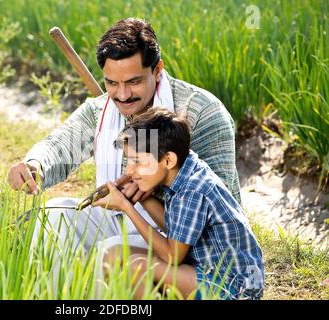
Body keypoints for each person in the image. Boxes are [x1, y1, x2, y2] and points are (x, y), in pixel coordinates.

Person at [7, 18, 242, 294]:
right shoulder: (102, 110)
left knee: (112, 250)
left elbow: (223, 209)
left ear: (157, 70)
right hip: (121, 217)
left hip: (180, 243)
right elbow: (61, 143)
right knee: (56, 214)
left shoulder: (201, 113)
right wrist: (36, 164)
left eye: (133, 81)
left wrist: (147, 192)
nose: (122, 95)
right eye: (111, 83)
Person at [93, 107, 264, 300]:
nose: (130, 171)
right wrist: (143, 196)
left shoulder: (193, 189)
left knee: (137, 266)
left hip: (234, 288)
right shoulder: (180, 169)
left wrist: (126, 207)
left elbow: (171, 256)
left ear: (168, 160)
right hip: (202, 269)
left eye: (138, 161)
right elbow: (176, 230)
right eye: (129, 161)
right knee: (114, 255)